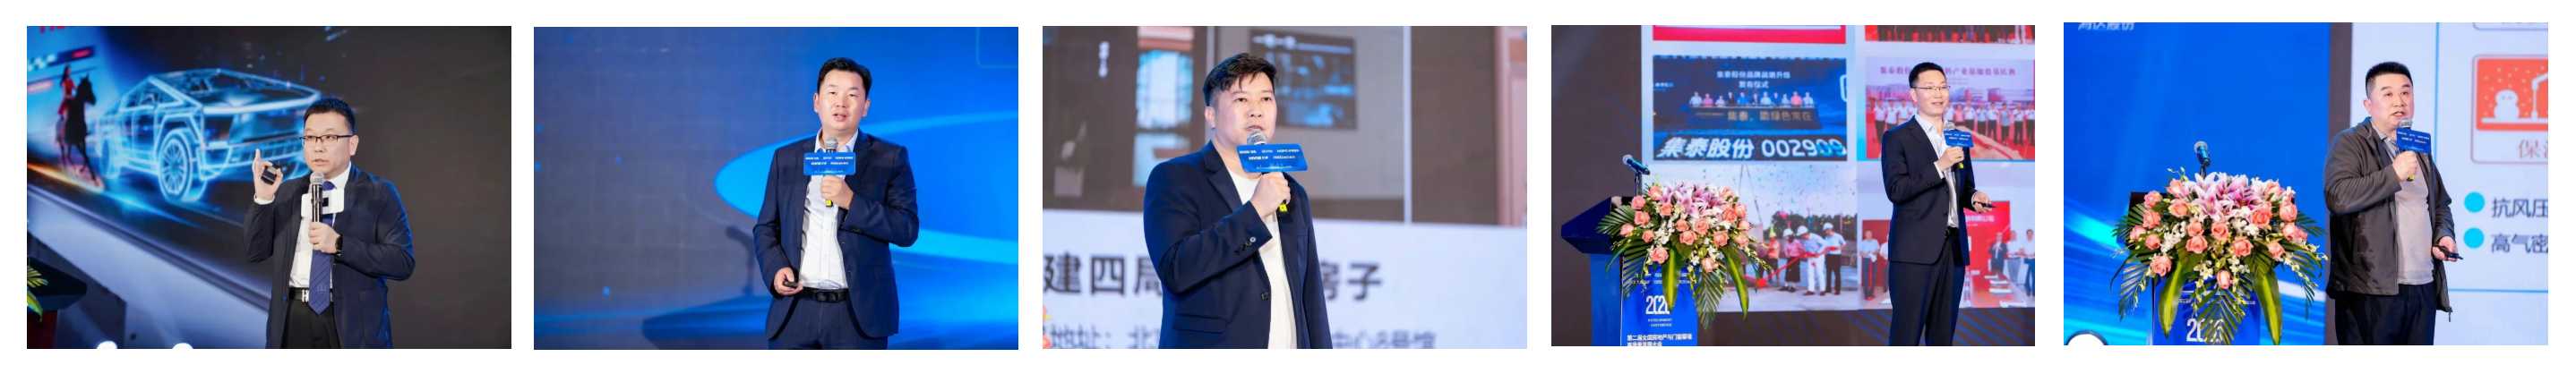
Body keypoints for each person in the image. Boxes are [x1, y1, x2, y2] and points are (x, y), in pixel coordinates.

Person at [1141, 53, 1330, 349]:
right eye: (1242, 100)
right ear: (1211, 115)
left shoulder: (1291, 191)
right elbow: (1177, 270)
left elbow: (1311, 298)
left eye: (1266, 99)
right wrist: (1255, 212)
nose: (1256, 112)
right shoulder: (1176, 178)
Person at [754, 57, 920, 349]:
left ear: (865, 106)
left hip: (857, 317)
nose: (841, 102)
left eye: (852, 95)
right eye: (832, 92)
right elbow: (766, 227)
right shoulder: (787, 158)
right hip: (795, 310)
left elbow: (906, 229)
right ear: (816, 102)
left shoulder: (889, 158)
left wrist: (851, 201)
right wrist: (776, 269)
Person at [245, 98, 415, 348]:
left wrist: (339, 244)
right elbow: (255, 252)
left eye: (330, 137)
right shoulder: (287, 192)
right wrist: (264, 198)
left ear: (352, 144)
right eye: (310, 137)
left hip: (352, 323)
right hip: (293, 319)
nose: (318, 147)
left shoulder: (379, 193)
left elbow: (402, 262)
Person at [2324, 61, 2457, 345]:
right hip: (2369, 289)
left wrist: (2443, 235)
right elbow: (2338, 196)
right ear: (2368, 104)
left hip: (2422, 286)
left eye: (2406, 93)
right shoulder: (2350, 143)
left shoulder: (2417, 147)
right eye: (2388, 94)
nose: (2399, 101)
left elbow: (2439, 205)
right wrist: (2393, 174)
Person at [1877, 62, 1992, 345]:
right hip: (1914, 252)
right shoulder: (1897, 137)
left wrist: (1973, 197)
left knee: (1942, 337)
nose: (1938, 93)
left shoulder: (1957, 135)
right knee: (1906, 335)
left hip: (1953, 250)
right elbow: (1896, 190)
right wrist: (1939, 165)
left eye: (1942, 87)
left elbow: (1964, 187)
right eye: (1930, 88)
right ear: (1913, 94)